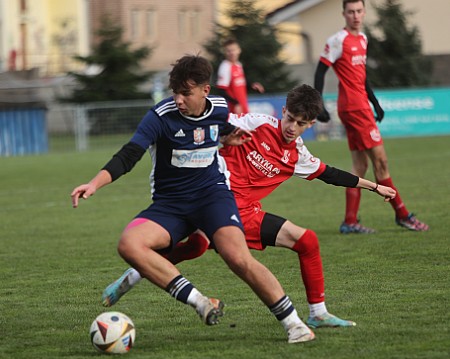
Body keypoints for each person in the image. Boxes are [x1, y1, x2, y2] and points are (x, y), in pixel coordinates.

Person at [102, 84, 397, 330]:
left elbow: (331, 174)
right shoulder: (256, 123)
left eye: (300, 123)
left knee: (305, 241)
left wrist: (374, 186)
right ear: (283, 112)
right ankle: (137, 271)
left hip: (247, 212)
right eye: (290, 118)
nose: (292, 127)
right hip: (215, 201)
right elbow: (218, 123)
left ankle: (317, 313)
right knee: (199, 246)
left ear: (310, 124)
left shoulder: (298, 157)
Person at [71, 55, 316, 344]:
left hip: (212, 196)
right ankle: (200, 302)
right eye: (174, 92)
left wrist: (228, 137)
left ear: (205, 91)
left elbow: (220, 129)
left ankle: (295, 325)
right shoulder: (159, 116)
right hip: (170, 205)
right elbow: (129, 154)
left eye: (186, 93)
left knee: (238, 258)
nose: (178, 99)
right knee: (129, 245)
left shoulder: (221, 109)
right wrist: (95, 183)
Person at [314, 0, 429, 234]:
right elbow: (320, 71)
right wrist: (318, 103)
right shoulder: (338, 40)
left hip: (361, 106)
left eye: (359, 11)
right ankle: (403, 215)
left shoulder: (363, 39)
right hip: (354, 109)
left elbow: (361, 77)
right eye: (350, 12)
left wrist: (375, 102)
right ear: (344, 14)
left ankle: (350, 221)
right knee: (381, 163)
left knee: (360, 166)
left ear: (364, 13)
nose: (355, 15)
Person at [216, 38, 265, 114]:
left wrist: (252, 85)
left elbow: (240, 84)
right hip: (233, 111)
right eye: (229, 51)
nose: (232, 53)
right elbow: (221, 91)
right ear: (225, 52)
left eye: (233, 50)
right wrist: (236, 104)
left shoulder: (238, 65)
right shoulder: (225, 67)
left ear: (239, 50)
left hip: (243, 108)